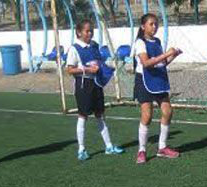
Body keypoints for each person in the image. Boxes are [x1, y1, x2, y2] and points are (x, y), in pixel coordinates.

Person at [65, 19, 124, 161]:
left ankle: (109, 146)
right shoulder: (74, 48)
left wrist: (107, 68)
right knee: (83, 116)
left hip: (96, 84)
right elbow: (69, 70)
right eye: (87, 30)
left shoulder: (94, 45)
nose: (90, 33)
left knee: (100, 114)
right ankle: (81, 149)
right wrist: (86, 69)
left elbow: (99, 62)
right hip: (83, 85)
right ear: (79, 32)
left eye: (91, 30)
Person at [132, 13, 183, 164]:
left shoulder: (158, 41)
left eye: (156, 24)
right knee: (147, 116)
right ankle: (142, 150)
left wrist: (173, 56)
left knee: (168, 111)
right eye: (151, 24)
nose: (154, 27)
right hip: (144, 81)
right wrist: (167, 53)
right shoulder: (140, 43)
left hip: (159, 80)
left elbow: (161, 63)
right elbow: (147, 63)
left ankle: (162, 147)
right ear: (143, 26)